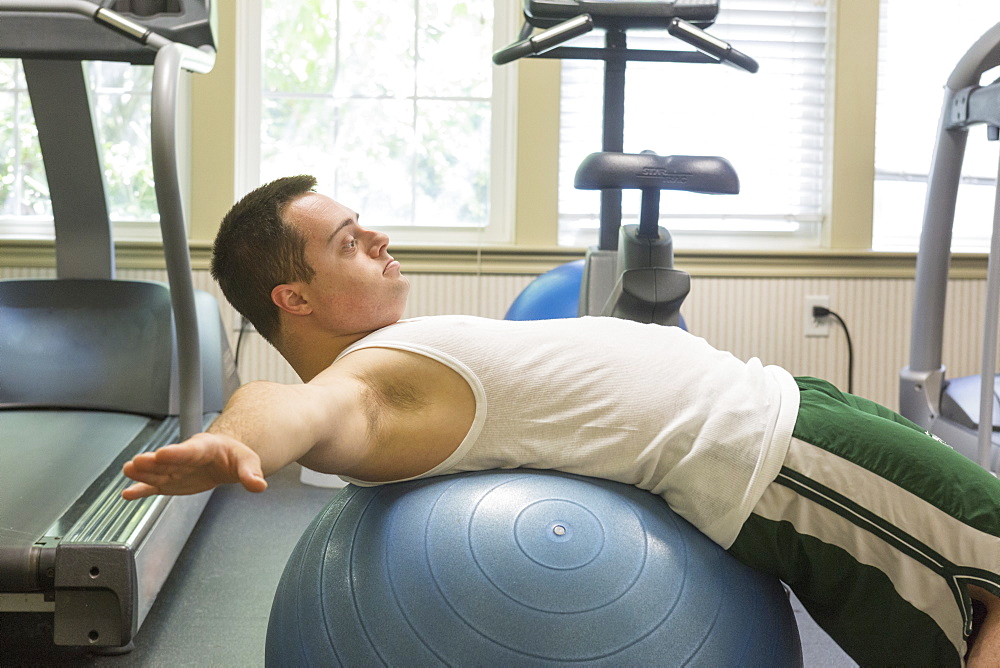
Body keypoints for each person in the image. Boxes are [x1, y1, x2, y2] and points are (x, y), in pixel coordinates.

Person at [123, 175, 1000, 667]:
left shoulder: (391, 363)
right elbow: (299, 405)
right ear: (294, 297)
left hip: (795, 421)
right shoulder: (372, 383)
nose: (380, 237)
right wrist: (236, 438)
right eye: (349, 241)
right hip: (791, 454)